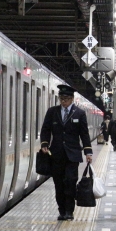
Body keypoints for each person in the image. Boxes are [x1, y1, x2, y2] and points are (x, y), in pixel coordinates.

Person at [40, 85, 93, 221]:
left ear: (72, 99)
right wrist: (44, 143)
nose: (64, 102)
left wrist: (88, 152)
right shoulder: (52, 112)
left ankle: (69, 211)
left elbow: (84, 134)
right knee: (59, 184)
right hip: (56, 155)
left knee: (70, 182)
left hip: (72, 156)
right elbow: (45, 129)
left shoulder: (79, 113)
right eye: (62, 98)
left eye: (67, 99)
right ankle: (61, 210)